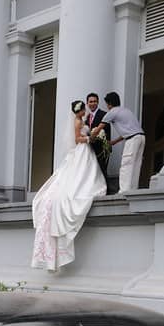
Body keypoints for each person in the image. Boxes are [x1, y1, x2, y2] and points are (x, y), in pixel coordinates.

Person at [30, 99, 107, 272]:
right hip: (82, 150)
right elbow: (77, 138)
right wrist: (90, 137)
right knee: (80, 176)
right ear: (78, 112)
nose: (84, 112)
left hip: (84, 152)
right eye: (82, 110)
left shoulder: (83, 120)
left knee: (86, 173)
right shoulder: (78, 121)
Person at [101, 92, 145, 194]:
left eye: (107, 104)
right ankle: (133, 189)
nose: (107, 106)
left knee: (126, 164)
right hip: (141, 137)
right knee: (136, 164)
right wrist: (113, 142)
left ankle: (124, 190)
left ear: (110, 103)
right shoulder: (127, 111)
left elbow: (100, 127)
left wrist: (91, 137)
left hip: (132, 140)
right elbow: (129, 130)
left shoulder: (112, 112)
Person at [85, 92, 111, 183]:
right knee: (91, 172)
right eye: (90, 102)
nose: (93, 103)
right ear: (87, 103)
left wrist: (107, 146)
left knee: (102, 171)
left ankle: (105, 192)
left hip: (102, 149)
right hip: (90, 149)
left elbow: (107, 130)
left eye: (95, 101)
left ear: (98, 102)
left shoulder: (104, 114)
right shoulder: (86, 117)